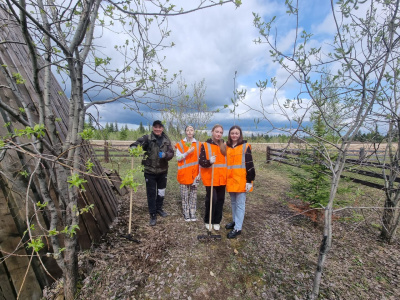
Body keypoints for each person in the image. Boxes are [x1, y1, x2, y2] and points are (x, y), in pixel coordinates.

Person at [130, 120, 174, 226]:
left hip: (163, 171)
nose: (157, 129)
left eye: (159, 127)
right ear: (153, 128)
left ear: (162, 128)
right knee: (151, 193)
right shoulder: (147, 138)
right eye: (155, 127)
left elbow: (171, 153)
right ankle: (153, 214)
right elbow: (137, 143)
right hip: (150, 171)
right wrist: (133, 147)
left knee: (161, 192)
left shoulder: (166, 139)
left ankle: (159, 208)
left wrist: (165, 155)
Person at [225, 125, 255, 238]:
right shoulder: (227, 147)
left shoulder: (245, 146)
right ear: (229, 134)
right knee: (233, 203)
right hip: (231, 180)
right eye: (232, 133)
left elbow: (250, 164)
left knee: (240, 205)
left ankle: (238, 228)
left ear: (240, 134)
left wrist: (249, 180)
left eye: (236, 133)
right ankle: (235, 221)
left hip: (241, 180)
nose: (234, 135)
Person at [199, 124, 227, 231]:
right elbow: (201, 162)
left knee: (220, 200)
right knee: (212, 200)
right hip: (210, 178)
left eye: (220, 132)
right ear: (212, 132)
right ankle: (208, 220)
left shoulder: (224, 146)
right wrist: (209, 161)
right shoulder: (205, 145)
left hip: (222, 178)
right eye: (217, 131)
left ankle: (216, 221)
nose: (218, 134)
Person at [175, 125, 201, 222]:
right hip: (184, 174)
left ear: (194, 132)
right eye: (187, 130)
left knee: (193, 195)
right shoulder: (181, 144)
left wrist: (200, 173)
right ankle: (186, 213)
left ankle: (192, 212)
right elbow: (177, 158)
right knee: (184, 195)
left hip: (195, 174)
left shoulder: (198, 144)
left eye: (191, 130)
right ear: (185, 132)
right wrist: (187, 152)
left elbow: (200, 160)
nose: (189, 132)